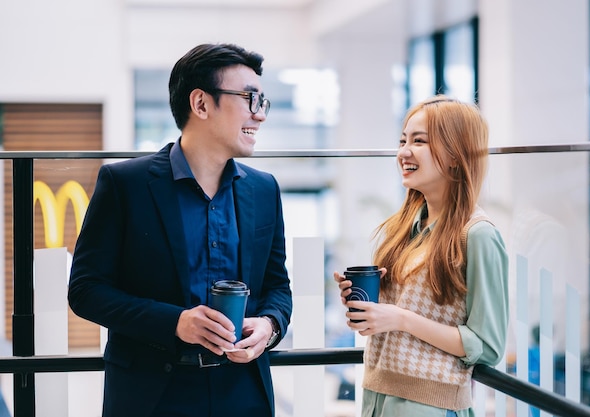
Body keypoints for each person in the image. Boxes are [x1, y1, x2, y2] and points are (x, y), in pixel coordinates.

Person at [68, 43, 292, 417]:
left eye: (262, 102)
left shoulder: (264, 188)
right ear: (201, 104)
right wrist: (175, 323)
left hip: (243, 392)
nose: (260, 115)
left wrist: (269, 326)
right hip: (153, 394)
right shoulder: (126, 184)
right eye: (250, 99)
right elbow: (86, 291)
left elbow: (277, 287)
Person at [334, 95, 509, 417]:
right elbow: (391, 321)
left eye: (419, 141)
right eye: (403, 140)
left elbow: (487, 346)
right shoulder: (403, 229)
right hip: (377, 395)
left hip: (428, 406)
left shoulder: (477, 235)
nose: (404, 152)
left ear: (456, 155)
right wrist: (367, 307)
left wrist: (400, 318)